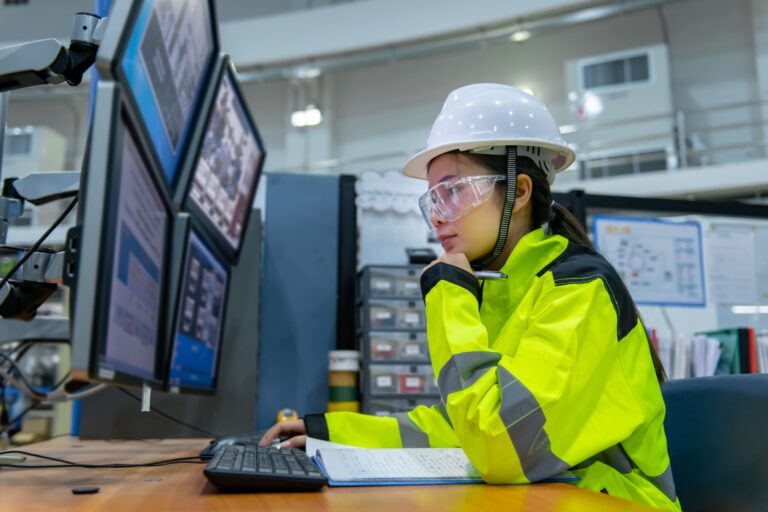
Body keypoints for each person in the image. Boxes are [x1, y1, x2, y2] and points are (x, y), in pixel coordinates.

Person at [260, 84, 681, 511]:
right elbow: (458, 428)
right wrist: (329, 432)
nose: (438, 216)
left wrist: (449, 298)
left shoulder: (580, 291)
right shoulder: (504, 287)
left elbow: (501, 447)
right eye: (433, 199)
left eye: (455, 190)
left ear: (518, 192)